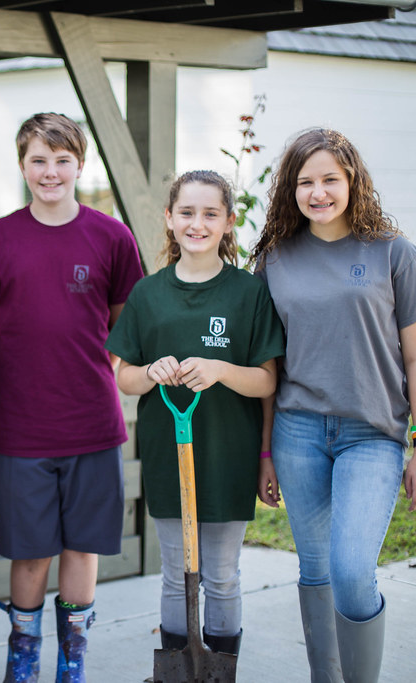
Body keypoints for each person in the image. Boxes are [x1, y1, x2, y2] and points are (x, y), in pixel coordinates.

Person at [249, 129, 416, 683]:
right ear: (291, 189)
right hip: (297, 432)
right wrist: (265, 453)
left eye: (330, 179)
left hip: (372, 434)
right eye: (305, 182)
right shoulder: (275, 259)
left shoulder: (394, 253)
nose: (318, 192)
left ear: (353, 181)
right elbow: (269, 367)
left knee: (351, 573)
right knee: (316, 570)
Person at [0, 113, 144, 682]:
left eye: (62, 160)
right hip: (20, 426)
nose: (51, 172)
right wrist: (21, 379)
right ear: (22, 165)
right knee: (29, 552)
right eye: (39, 160)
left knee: (82, 547)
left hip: (92, 423)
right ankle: (22, 663)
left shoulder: (111, 237)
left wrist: (91, 373)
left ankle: (73, 664)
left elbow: (124, 326)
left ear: (80, 164)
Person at [106, 170, 284, 670]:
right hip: (169, 455)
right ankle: (180, 671)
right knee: (176, 574)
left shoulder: (248, 292)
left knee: (221, 575)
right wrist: (150, 371)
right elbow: (125, 377)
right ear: (169, 217)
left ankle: (219, 672)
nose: (197, 224)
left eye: (210, 213)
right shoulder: (148, 294)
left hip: (228, 454)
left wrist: (221, 369)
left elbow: (267, 381)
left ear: (228, 222)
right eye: (186, 212)